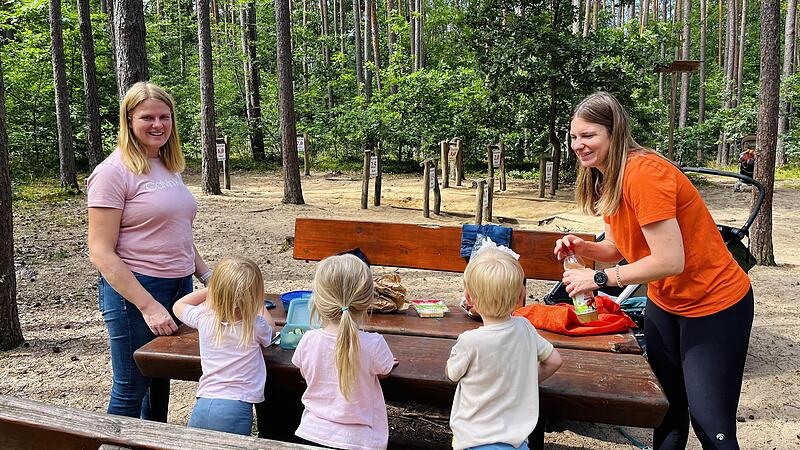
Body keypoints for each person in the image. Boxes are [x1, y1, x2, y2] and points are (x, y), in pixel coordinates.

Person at [555, 91, 754, 450]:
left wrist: (598, 279)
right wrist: (585, 249)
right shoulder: (607, 175)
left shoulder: (645, 174)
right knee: (667, 413)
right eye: (574, 136)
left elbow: (669, 261)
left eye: (588, 135)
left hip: (714, 306)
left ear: (614, 133)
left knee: (710, 424)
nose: (578, 145)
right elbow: (617, 247)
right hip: (665, 303)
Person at [87, 81, 212, 419]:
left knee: (159, 378)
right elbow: (100, 251)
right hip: (137, 290)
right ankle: (114, 441)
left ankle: (151, 440)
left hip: (179, 285)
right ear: (129, 121)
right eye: (147, 117)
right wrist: (148, 306)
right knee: (131, 387)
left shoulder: (167, 166)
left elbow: (176, 231)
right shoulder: (112, 173)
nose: (158, 125)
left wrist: (207, 276)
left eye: (164, 117)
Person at [447, 248, 562, 450]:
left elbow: (453, 374)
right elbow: (554, 360)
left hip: (475, 441)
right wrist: (527, 379)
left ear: (469, 298)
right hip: (517, 443)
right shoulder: (525, 328)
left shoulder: (470, 341)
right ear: (520, 297)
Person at [291, 254, 396, 449]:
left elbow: (304, 370)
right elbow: (385, 370)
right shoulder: (373, 344)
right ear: (368, 300)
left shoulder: (308, 340)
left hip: (313, 433)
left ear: (318, 299)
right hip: (359, 440)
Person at [173, 257, 276, 435]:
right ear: (254, 295)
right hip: (236, 407)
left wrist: (211, 289)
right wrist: (259, 305)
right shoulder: (254, 325)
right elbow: (272, 331)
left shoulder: (204, 317)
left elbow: (178, 305)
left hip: (204, 402)